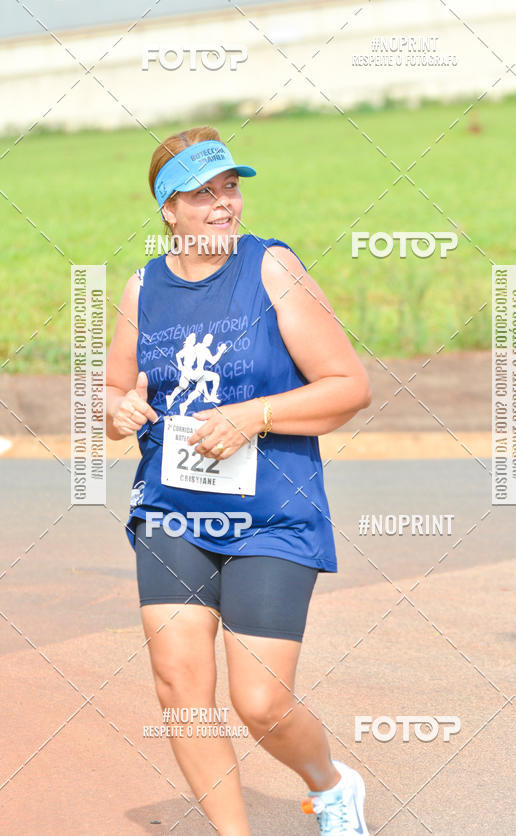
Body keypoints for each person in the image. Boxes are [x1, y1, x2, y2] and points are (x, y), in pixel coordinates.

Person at [105, 125, 372, 835]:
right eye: (203, 193)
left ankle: (330, 784)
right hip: (173, 512)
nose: (224, 204)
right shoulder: (142, 288)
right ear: (168, 209)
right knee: (181, 692)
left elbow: (348, 387)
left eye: (230, 187)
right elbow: (111, 398)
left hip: (271, 514)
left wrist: (254, 415)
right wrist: (120, 407)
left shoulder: (271, 269)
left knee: (260, 703)